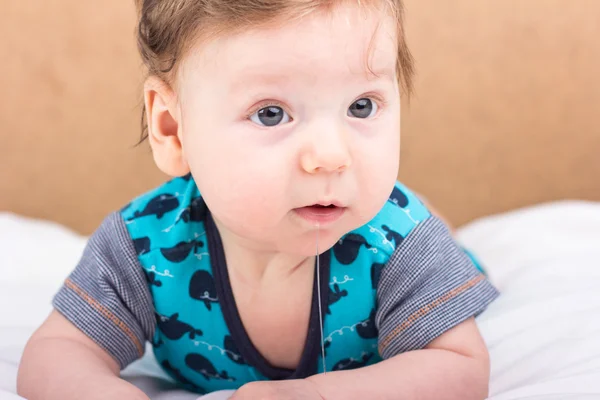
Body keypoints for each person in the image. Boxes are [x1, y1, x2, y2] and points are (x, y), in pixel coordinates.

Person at [17, 1, 499, 399]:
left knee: (443, 249)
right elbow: (59, 349)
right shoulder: (144, 245)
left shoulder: (402, 243)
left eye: (361, 106)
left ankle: (445, 224)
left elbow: (458, 367)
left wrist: (312, 395)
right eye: (271, 114)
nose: (330, 157)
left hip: (411, 234)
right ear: (172, 129)